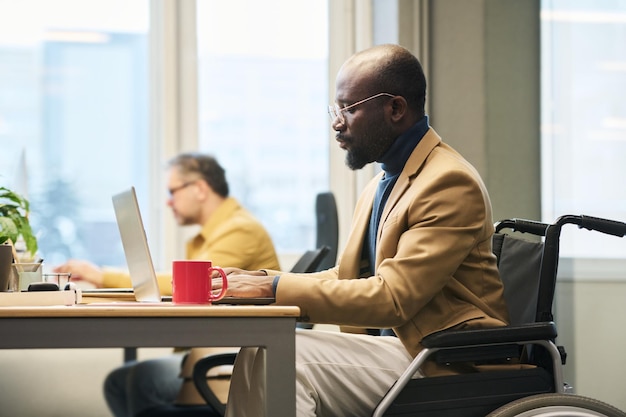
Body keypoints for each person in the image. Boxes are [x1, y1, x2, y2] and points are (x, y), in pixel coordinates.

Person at [219, 44, 511, 417]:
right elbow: (349, 277)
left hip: (445, 358)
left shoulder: (448, 181)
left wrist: (273, 289)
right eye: (336, 109)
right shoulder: (383, 182)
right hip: (404, 350)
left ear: (395, 108)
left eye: (350, 109)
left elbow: (391, 298)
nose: (337, 122)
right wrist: (259, 281)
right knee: (267, 350)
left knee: (281, 357)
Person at [54, 153, 280, 417]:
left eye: (172, 191)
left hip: (231, 359)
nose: (168, 201)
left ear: (199, 188)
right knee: (121, 381)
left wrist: (100, 275)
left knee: (132, 381)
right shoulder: (216, 233)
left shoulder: (240, 230)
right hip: (211, 350)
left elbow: (187, 286)